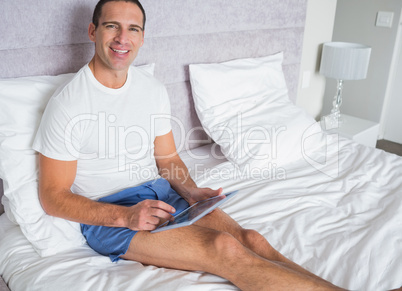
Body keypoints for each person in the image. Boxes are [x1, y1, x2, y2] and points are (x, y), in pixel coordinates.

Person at [33, 0, 345, 290]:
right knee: (223, 248)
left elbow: (168, 159)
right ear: (93, 31)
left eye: (133, 29)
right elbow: (53, 197)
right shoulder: (68, 105)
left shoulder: (151, 89)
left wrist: (191, 192)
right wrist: (125, 217)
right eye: (112, 26)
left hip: (160, 194)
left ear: (142, 38)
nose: (122, 38)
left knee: (252, 239)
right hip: (111, 213)